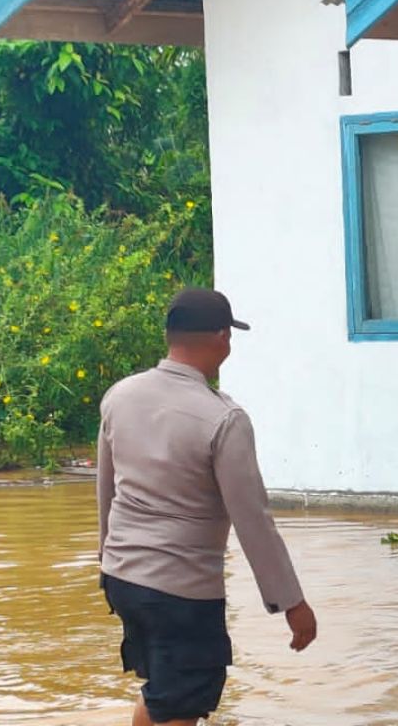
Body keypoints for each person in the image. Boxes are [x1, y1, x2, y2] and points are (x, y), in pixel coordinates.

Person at [97, 288, 317, 726]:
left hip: (124, 579)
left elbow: (107, 492)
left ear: (169, 336)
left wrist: (107, 561)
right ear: (222, 338)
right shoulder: (223, 419)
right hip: (180, 592)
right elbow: (253, 519)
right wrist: (292, 603)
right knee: (183, 704)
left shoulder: (119, 397)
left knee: (164, 694)